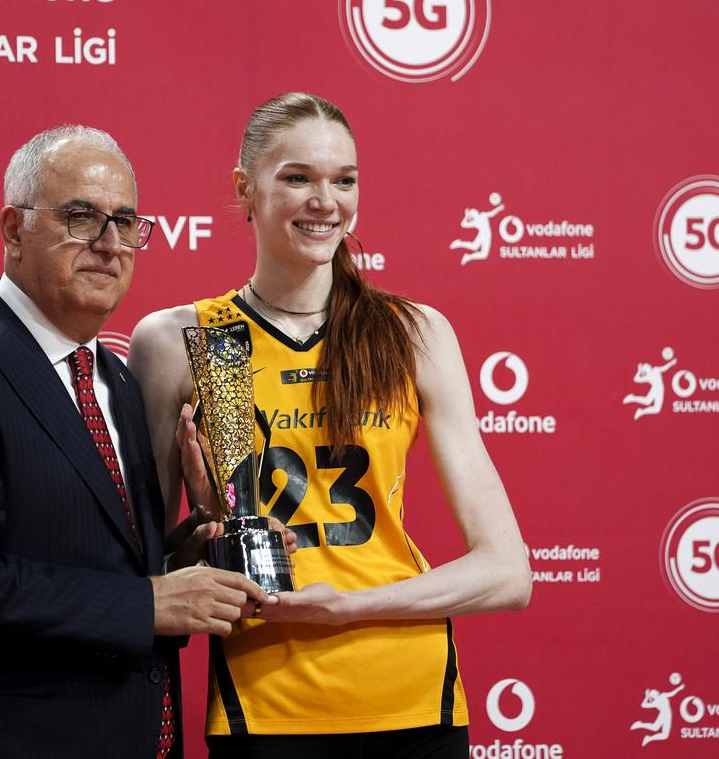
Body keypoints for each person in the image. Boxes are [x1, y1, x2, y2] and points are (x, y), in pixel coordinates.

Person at [129, 93, 532, 758]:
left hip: (414, 701)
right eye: (298, 178)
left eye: (343, 179)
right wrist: (208, 530)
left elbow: (508, 571)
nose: (326, 201)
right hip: (266, 707)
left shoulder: (412, 333)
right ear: (245, 189)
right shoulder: (185, 339)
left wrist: (347, 604)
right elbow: (146, 576)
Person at [0, 125, 268, 759]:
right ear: (13, 229)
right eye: (82, 218)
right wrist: (147, 602)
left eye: (127, 222)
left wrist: (185, 553)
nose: (111, 245)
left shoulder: (116, 380)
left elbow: (92, 558)